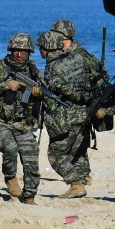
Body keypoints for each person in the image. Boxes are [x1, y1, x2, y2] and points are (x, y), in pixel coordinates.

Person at [0, 34, 43, 204]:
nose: (19, 54)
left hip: (23, 123)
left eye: (23, 51)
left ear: (30, 52)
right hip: (0, 121)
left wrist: (38, 94)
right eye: (16, 50)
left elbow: (43, 92)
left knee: (31, 156)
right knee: (11, 148)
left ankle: (29, 196)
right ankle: (11, 178)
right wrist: (5, 86)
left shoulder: (33, 71)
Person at [37, 30, 93, 199]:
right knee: (78, 150)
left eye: (41, 47)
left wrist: (41, 93)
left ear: (46, 48)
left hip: (67, 118)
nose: (40, 51)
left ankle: (76, 184)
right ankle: (83, 178)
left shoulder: (53, 67)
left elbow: (58, 91)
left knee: (55, 154)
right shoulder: (76, 58)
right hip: (84, 114)